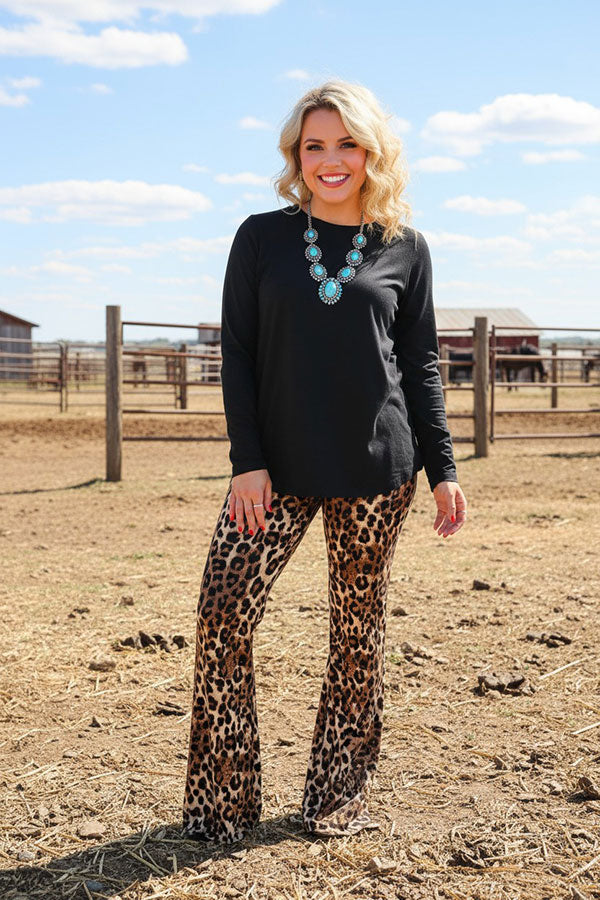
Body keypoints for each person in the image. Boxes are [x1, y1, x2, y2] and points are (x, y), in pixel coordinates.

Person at [182, 79, 468, 845]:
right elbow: (238, 355)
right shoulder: (261, 237)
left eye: (347, 144)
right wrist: (247, 461)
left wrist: (443, 468)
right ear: (296, 156)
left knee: (356, 633)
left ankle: (336, 798)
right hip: (272, 472)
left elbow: (420, 364)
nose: (330, 159)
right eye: (315, 145)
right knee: (221, 614)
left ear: (372, 152)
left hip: (378, 471)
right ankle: (222, 803)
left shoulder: (406, 246)